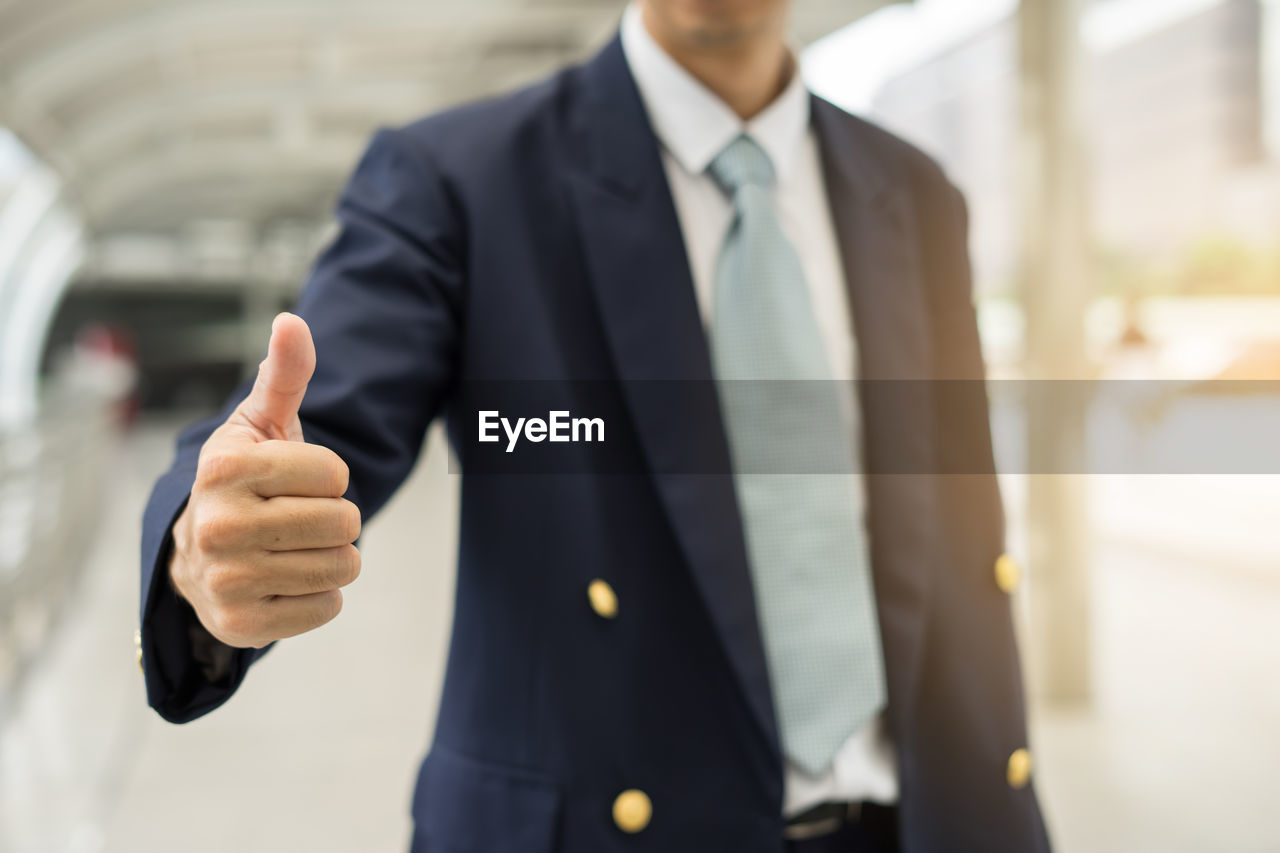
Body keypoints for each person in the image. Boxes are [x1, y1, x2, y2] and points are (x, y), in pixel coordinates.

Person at [137, 1, 1051, 850]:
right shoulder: (459, 179)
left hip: (923, 820)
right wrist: (204, 546)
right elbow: (313, 427)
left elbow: (955, 523)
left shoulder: (916, 193)